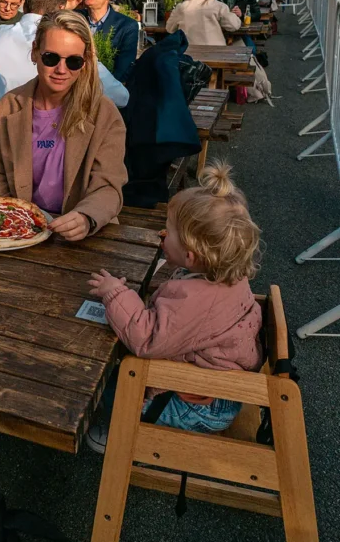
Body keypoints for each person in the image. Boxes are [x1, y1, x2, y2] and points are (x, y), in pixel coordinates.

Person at [86, 163, 263, 452]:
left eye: (168, 231)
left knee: (117, 380)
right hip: (218, 390)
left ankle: (115, 431)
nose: (161, 234)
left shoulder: (195, 300)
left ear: (192, 256)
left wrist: (115, 293)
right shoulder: (225, 275)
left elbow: (146, 339)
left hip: (194, 404)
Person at [0, 10, 127, 240]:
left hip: (82, 237)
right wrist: (15, 219)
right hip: (22, 232)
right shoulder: (10, 106)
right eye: (51, 58)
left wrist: (85, 217)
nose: (62, 70)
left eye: (73, 61)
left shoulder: (103, 113)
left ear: (85, 63)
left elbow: (109, 186)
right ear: (35, 53)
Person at [0, 0, 129, 158]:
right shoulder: (69, 44)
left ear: (24, 5)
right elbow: (121, 97)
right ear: (61, 9)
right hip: (50, 159)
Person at [78, 0, 138, 84]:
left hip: (106, 91)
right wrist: (67, 3)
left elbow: (122, 72)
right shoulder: (75, 18)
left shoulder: (127, 26)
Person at [166, 0, 240, 45]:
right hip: (215, 50)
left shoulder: (182, 7)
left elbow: (169, 28)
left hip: (188, 51)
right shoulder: (218, 5)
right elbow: (234, 25)